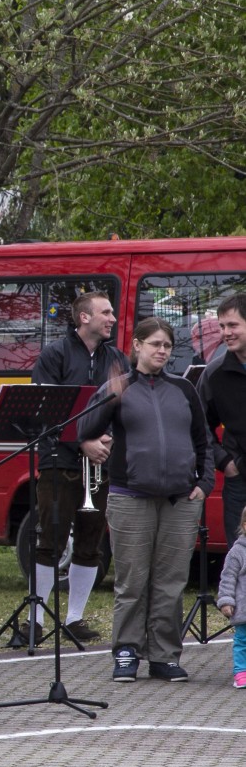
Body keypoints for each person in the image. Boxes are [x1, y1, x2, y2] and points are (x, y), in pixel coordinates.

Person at [80, 317, 213, 682]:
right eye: (155, 344)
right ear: (137, 345)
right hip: (131, 497)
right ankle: (126, 651)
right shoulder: (118, 387)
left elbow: (203, 441)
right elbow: (84, 429)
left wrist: (204, 483)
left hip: (181, 500)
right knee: (132, 581)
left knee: (170, 582)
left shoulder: (183, 389)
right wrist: (108, 399)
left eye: (167, 345)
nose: (162, 351)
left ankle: (164, 655)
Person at [21, 292, 129, 645]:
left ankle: (75, 618)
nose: (112, 318)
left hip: (100, 462)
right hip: (60, 461)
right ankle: (35, 619)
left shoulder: (116, 358)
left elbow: (124, 405)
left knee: (90, 540)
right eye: (105, 312)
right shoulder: (55, 354)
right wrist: (82, 442)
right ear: (84, 317)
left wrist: (108, 439)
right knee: (51, 539)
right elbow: (46, 408)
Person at [202, 293, 246, 545]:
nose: (226, 333)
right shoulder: (214, 374)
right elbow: (199, 425)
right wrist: (226, 462)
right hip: (240, 481)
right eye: (222, 326)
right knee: (240, 556)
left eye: (233, 325)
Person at [214, 512, 246, 689]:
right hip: (244, 608)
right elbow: (227, 578)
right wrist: (226, 601)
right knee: (242, 641)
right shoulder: (237, 552)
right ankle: (241, 672)